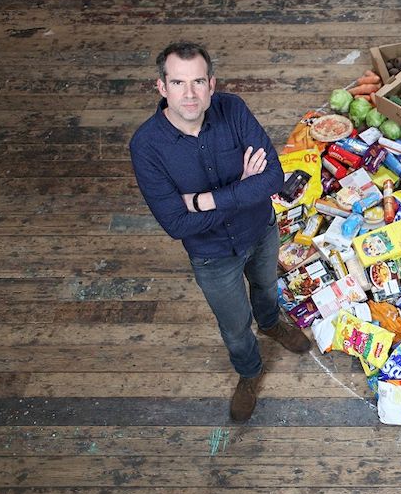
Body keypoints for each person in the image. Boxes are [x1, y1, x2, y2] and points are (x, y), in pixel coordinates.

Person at [129, 41, 311, 423]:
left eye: (198, 82)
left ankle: (272, 322)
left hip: (259, 229)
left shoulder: (233, 109)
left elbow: (274, 178)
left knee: (265, 287)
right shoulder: (146, 147)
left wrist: (200, 200)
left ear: (211, 84)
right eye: (178, 83)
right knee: (233, 324)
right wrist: (242, 187)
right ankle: (249, 372)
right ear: (162, 88)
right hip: (211, 255)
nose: (190, 94)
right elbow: (175, 224)